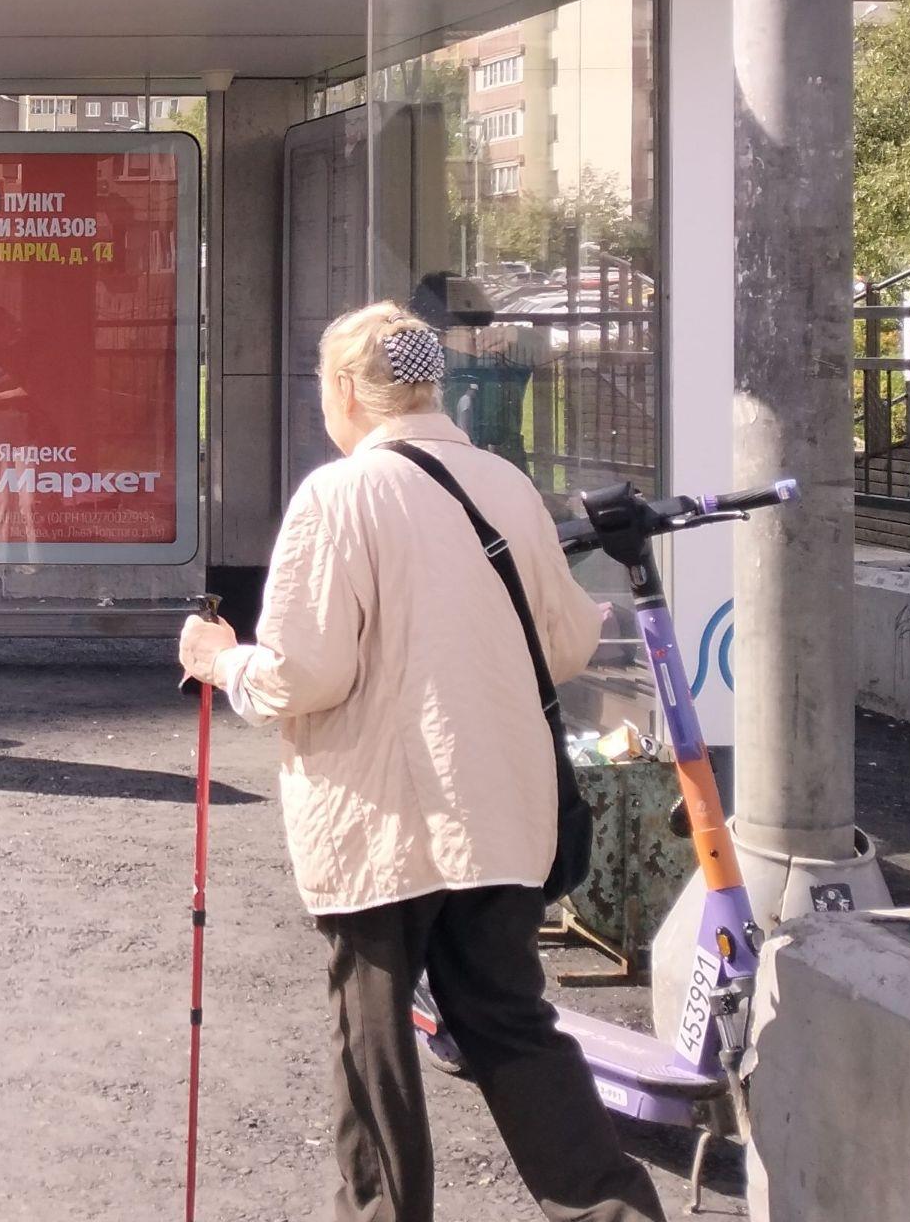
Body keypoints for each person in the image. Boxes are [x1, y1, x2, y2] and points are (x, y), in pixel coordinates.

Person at [177, 302, 663, 1222]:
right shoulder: (505, 483)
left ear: (345, 389)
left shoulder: (339, 496)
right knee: (512, 1027)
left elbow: (304, 675)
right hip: (499, 811)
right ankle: (614, 1211)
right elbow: (565, 643)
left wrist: (221, 661)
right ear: (430, 386)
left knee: (374, 1051)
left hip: (380, 821)